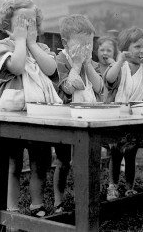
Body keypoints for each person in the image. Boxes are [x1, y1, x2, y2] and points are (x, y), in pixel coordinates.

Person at [0, 0, 62, 219]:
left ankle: (37, 205)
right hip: (11, 118)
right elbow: (16, 67)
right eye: (21, 22)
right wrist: (19, 42)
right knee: (12, 165)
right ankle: (11, 209)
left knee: (40, 163)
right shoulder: (3, 46)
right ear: (8, 24)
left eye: (31, 22)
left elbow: (50, 68)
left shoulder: (41, 47)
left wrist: (32, 44)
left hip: (38, 116)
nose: (27, 26)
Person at [103, 26, 143, 200]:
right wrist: (120, 60)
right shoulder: (119, 67)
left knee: (131, 155)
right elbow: (109, 79)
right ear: (126, 49)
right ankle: (112, 186)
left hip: (136, 119)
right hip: (116, 117)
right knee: (115, 155)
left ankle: (130, 187)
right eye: (137, 47)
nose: (142, 51)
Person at [54, 14, 103, 213]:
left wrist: (88, 64)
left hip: (88, 117)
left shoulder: (89, 62)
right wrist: (76, 64)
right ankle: (58, 200)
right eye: (81, 44)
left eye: (89, 44)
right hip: (66, 117)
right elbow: (67, 88)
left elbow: (99, 87)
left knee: (86, 160)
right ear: (66, 43)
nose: (85, 49)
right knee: (64, 161)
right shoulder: (62, 60)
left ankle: (84, 198)